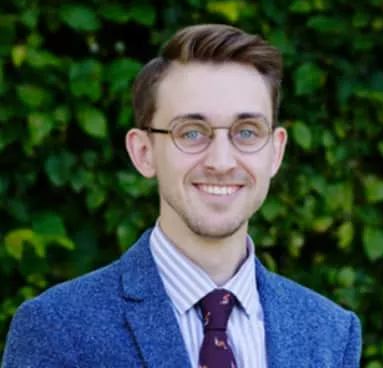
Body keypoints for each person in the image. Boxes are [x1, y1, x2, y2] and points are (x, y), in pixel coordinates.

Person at [2, 24, 362, 367]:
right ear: (144, 152)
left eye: (247, 131)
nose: (221, 162)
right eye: (191, 132)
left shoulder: (331, 333)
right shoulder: (57, 328)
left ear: (276, 151)